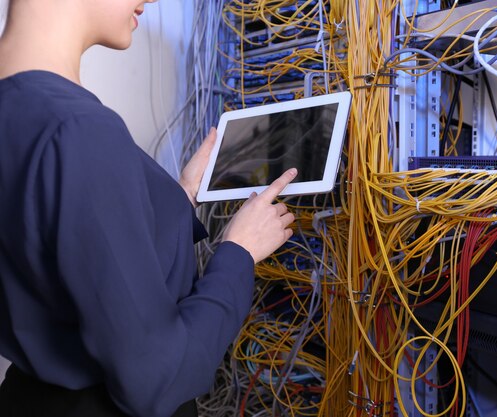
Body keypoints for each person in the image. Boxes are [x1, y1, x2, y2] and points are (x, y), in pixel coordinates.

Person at [0, 0, 297, 416]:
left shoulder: (27, 111)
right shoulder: (81, 131)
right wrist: (239, 252)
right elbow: (157, 376)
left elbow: (55, 243)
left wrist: (178, 198)